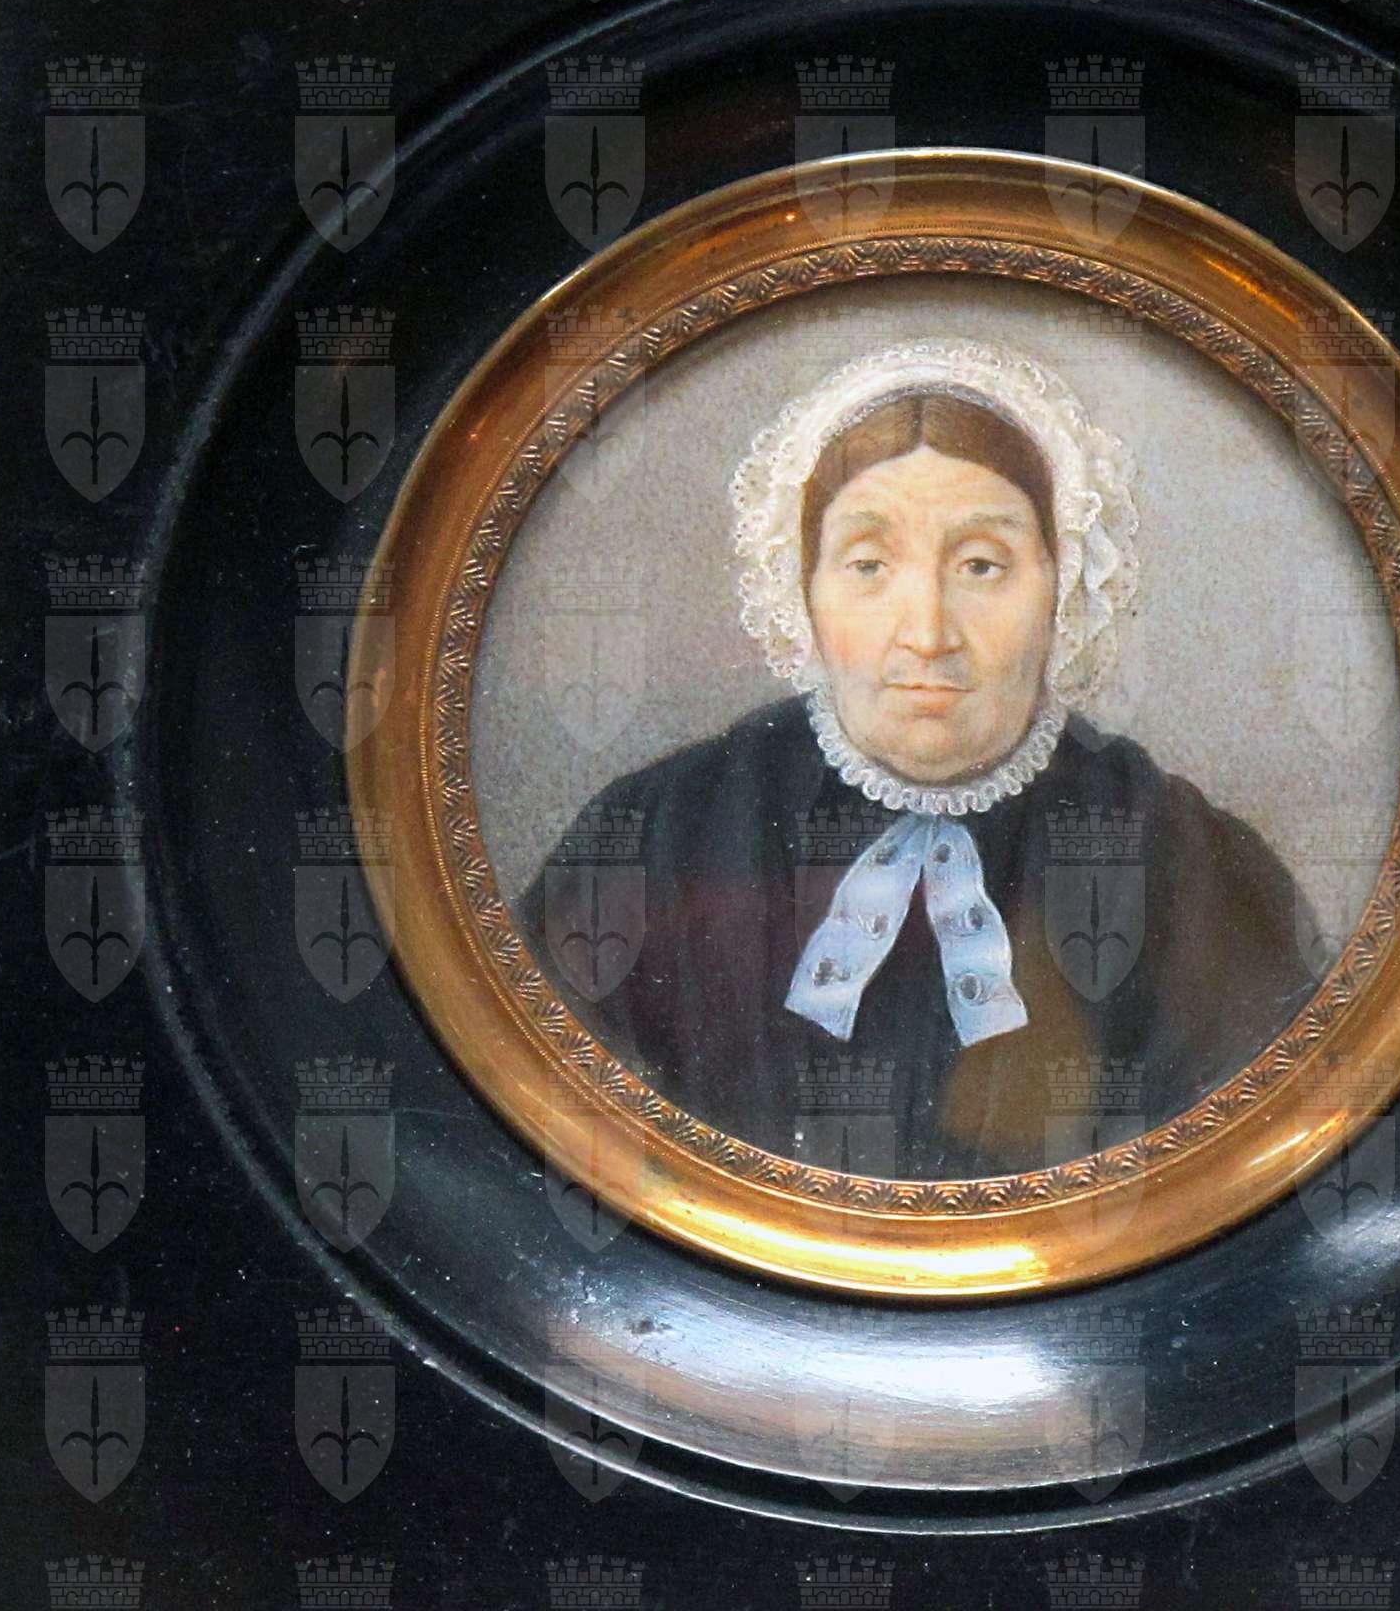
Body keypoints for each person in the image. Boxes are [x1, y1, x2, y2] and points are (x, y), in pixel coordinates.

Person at [515, 336, 1329, 1181]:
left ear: (1063, 588)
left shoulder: (1186, 858)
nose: (929, 633)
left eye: (982, 565)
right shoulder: (660, 831)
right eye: (869, 564)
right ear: (802, 588)